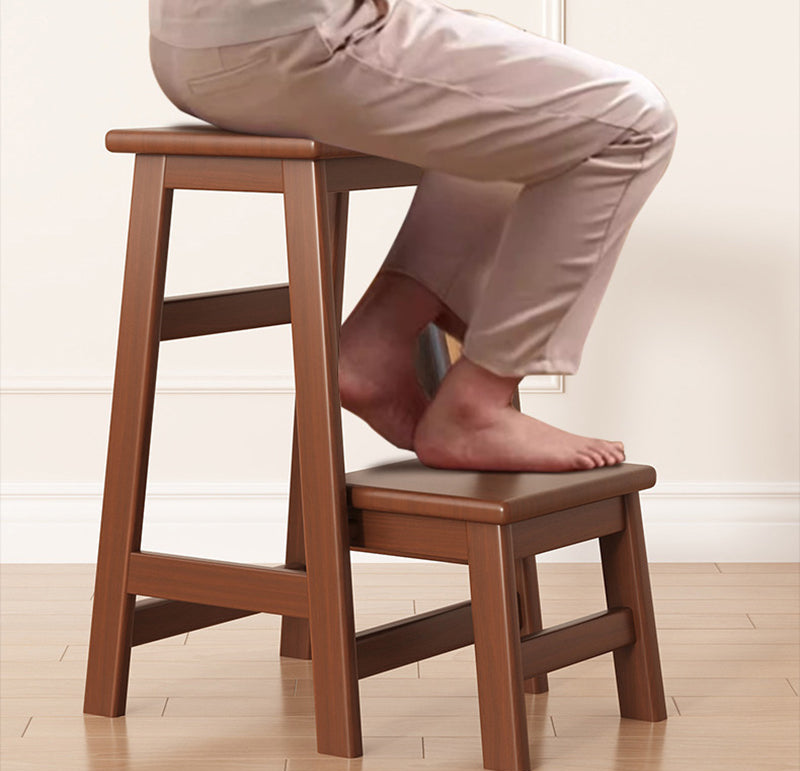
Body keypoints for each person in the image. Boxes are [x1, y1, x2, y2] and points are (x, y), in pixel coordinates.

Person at [148, 0, 678, 472]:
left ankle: (379, 337)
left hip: (186, 49)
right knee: (634, 122)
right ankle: (478, 402)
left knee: (528, 110)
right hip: (301, 42)